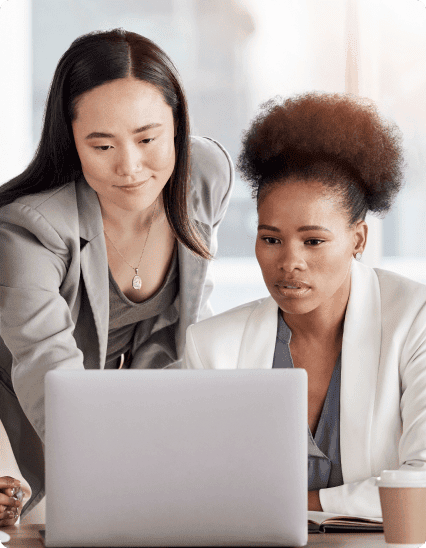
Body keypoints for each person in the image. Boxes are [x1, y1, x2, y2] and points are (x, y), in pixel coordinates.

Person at [0, 28, 233, 519]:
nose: (130, 166)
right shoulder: (28, 228)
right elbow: (49, 371)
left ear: (178, 127)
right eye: (101, 145)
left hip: (103, 409)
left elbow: (182, 330)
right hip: (19, 411)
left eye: (148, 138)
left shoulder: (204, 173)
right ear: (72, 141)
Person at [183, 92, 426, 517]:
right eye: (271, 239)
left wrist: (296, 506)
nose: (289, 262)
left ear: (358, 239)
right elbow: (202, 491)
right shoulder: (212, 346)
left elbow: (420, 483)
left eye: (313, 241)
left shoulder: (413, 318)